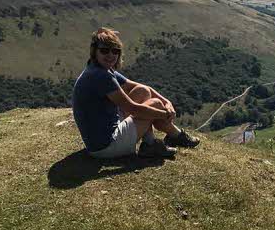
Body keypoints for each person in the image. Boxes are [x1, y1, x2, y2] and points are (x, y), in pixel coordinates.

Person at [72, 27, 200, 159]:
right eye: (104, 50)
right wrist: (165, 114)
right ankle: (173, 137)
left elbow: (141, 87)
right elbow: (133, 108)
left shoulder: (99, 69)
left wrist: (167, 103)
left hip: (100, 138)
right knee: (155, 104)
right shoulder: (101, 76)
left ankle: (156, 142)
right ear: (95, 51)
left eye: (115, 51)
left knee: (142, 91)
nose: (110, 55)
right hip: (106, 146)